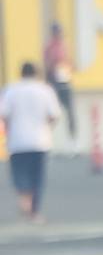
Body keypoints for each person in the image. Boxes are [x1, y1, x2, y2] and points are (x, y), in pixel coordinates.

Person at [2, 58, 63, 218]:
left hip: (17, 141)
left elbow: (4, 114)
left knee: (20, 173)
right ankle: (35, 211)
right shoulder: (45, 90)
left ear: (21, 73)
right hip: (40, 140)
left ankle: (24, 199)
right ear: (36, 73)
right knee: (38, 177)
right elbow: (54, 115)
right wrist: (47, 127)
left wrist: (8, 129)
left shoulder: (11, 90)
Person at [41, 24, 77, 142]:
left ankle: (73, 140)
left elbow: (70, 63)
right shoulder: (49, 47)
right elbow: (47, 65)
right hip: (54, 82)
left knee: (70, 112)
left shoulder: (65, 46)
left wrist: (68, 66)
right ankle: (46, 136)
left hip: (65, 81)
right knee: (53, 113)